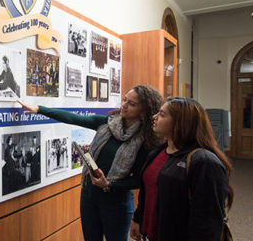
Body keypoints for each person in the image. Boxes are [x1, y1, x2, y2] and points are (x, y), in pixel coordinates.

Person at [17, 85, 164, 241]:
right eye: (124, 100)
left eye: (131, 104)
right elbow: (74, 118)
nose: (124, 105)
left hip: (116, 203)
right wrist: (39, 109)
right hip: (89, 196)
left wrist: (109, 184)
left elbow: (140, 179)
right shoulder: (106, 123)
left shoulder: (146, 140)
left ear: (144, 110)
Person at [129, 97, 233, 241]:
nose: (154, 117)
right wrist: (138, 219)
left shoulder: (204, 162)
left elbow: (207, 221)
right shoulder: (158, 152)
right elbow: (149, 192)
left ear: (181, 123)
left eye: (162, 114)